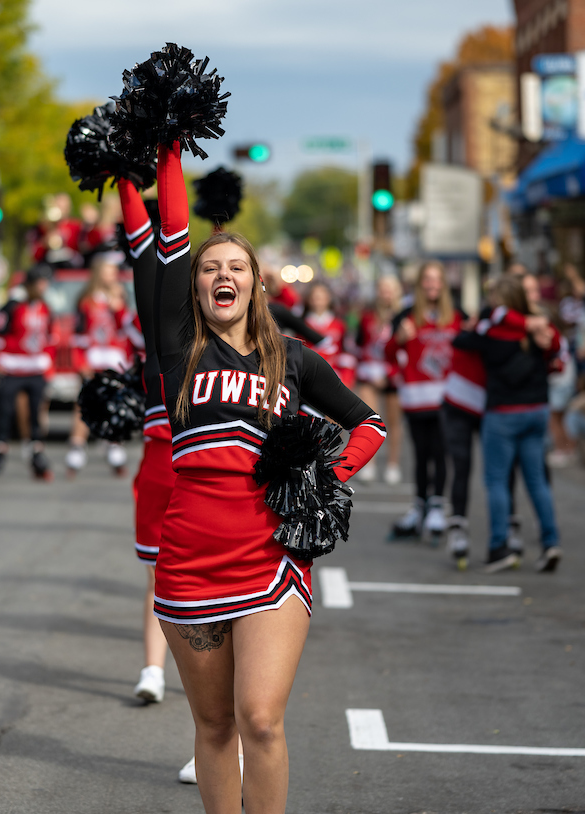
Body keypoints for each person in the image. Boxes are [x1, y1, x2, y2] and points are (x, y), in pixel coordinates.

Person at [152, 141, 385, 813]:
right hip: (188, 561)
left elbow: (371, 424)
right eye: (209, 268)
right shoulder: (177, 352)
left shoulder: (295, 360)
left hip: (269, 558)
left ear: (257, 284)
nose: (221, 275)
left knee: (259, 718)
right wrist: (172, 142)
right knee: (215, 725)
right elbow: (169, 239)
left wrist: (321, 474)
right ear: (197, 287)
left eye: (236, 267)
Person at [454, 274, 562, 573]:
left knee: (497, 482)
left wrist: (473, 325)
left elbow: (460, 340)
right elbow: (557, 352)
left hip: (502, 413)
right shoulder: (540, 328)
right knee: (537, 480)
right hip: (537, 410)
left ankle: (499, 546)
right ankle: (551, 542)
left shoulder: (493, 330)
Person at [116, 179, 176, 707]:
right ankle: (153, 669)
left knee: (219, 590)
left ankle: (226, 726)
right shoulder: (160, 342)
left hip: (218, 476)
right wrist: (127, 173)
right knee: (159, 575)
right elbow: (146, 244)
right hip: (161, 466)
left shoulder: (241, 345)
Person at [388, 262, 461, 540]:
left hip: (447, 397)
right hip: (416, 397)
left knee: (442, 453)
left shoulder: (456, 315)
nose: (432, 284)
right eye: (427, 279)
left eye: (437, 279)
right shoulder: (406, 316)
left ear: (443, 283)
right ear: (420, 283)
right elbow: (388, 354)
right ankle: (419, 506)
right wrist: (398, 339)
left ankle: (437, 508)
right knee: (421, 454)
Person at [0, 265, 55, 481]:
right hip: (13, 367)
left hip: (35, 368)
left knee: (36, 415)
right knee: (6, 413)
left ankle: (36, 455)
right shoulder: (12, 307)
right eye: (41, 283)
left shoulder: (45, 307)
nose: (45, 287)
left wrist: (49, 363)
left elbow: (51, 338)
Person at [67, 257, 134, 476]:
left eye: (114, 271)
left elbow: (129, 330)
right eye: (108, 270)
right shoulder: (86, 301)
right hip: (92, 360)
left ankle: (114, 445)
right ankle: (77, 447)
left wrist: (119, 308)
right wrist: (80, 362)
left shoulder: (121, 297)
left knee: (115, 404)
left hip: (115, 362)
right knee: (85, 403)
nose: (112, 275)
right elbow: (77, 335)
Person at [354, 276, 404, 484]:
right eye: (382, 289)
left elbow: (406, 348)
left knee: (393, 422)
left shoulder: (403, 316)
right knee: (369, 420)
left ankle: (393, 464)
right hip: (369, 373)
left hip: (394, 374)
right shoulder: (367, 316)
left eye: (389, 289)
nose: (386, 293)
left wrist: (390, 373)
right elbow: (359, 344)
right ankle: (370, 464)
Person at [299, 282, 355, 387]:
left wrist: (347, 378)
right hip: (308, 378)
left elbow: (346, 352)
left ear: (328, 298)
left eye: (321, 296)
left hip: (334, 376)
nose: (317, 300)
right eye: (314, 296)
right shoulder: (301, 324)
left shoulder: (340, 325)